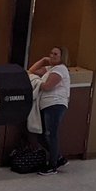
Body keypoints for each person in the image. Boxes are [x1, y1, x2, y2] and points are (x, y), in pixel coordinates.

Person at [29, 46, 71, 174]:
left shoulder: (60, 70)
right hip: (45, 104)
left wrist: (36, 82)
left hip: (55, 104)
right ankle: (58, 157)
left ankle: (52, 165)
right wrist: (43, 60)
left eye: (55, 54)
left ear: (62, 57)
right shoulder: (50, 69)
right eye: (51, 53)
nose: (52, 56)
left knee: (50, 134)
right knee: (41, 135)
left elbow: (47, 87)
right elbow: (31, 70)